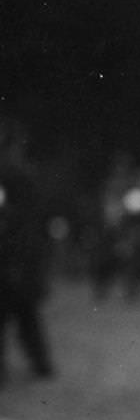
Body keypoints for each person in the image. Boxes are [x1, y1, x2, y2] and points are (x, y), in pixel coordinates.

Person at [0, 117, 55, 384]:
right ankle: (41, 362)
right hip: (19, 255)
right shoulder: (20, 174)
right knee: (26, 314)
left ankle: (40, 362)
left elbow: (18, 219)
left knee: (20, 313)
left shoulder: (13, 175)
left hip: (14, 256)